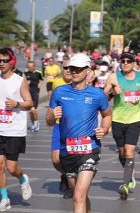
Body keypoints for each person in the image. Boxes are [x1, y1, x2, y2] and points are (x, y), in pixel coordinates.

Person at [46, 53, 112, 213]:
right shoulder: (59, 92)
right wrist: (52, 115)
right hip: (67, 150)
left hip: (89, 149)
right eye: (71, 68)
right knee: (80, 195)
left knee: (78, 197)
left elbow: (107, 115)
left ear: (87, 71)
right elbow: (48, 122)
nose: (73, 72)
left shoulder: (98, 94)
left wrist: (104, 129)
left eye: (77, 69)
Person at [103, 52, 140, 199]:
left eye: (128, 61)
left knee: (130, 152)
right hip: (117, 119)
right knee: (122, 152)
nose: (125, 63)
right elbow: (102, 97)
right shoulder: (113, 77)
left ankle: (125, 184)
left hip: (135, 119)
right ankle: (130, 173)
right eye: (122, 61)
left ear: (134, 63)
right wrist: (112, 93)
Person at [0, 47, 33, 211]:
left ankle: (22, 178)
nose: (2, 63)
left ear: (12, 62)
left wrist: (16, 104)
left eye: (5, 60)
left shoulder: (19, 80)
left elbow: (29, 103)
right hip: (0, 130)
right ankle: (4, 199)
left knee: (11, 168)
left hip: (15, 130)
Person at [50, 63, 73, 199]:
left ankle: (71, 184)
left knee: (72, 158)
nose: (68, 70)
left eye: (71, 68)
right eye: (65, 68)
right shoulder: (57, 84)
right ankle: (65, 174)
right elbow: (52, 105)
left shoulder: (81, 84)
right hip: (59, 126)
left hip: (74, 127)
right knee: (56, 160)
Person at [24, 60, 43, 132]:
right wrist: (26, 83)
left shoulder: (38, 73)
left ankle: (36, 123)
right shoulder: (25, 73)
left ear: (34, 66)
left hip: (35, 93)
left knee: (33, 110)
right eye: (28, 67)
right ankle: (34, 124)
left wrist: (40, 84)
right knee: (30, 112)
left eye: (30, 67)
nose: (29, 68)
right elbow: (22, 82)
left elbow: (41, 79)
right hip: (28, 94)